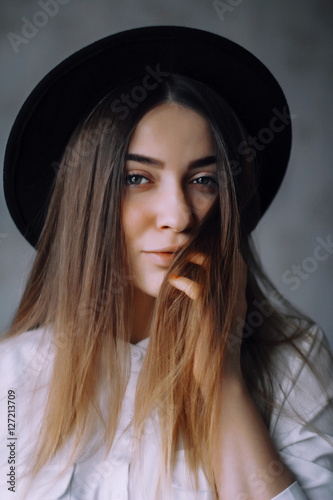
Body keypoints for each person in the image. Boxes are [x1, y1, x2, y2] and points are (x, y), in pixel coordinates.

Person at [1, 26, 332, 500]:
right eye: (138, 177)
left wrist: (225, 377)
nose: (178, 216)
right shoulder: (10, 381)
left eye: (203, 180)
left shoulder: (291, 363)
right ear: (87, 197)